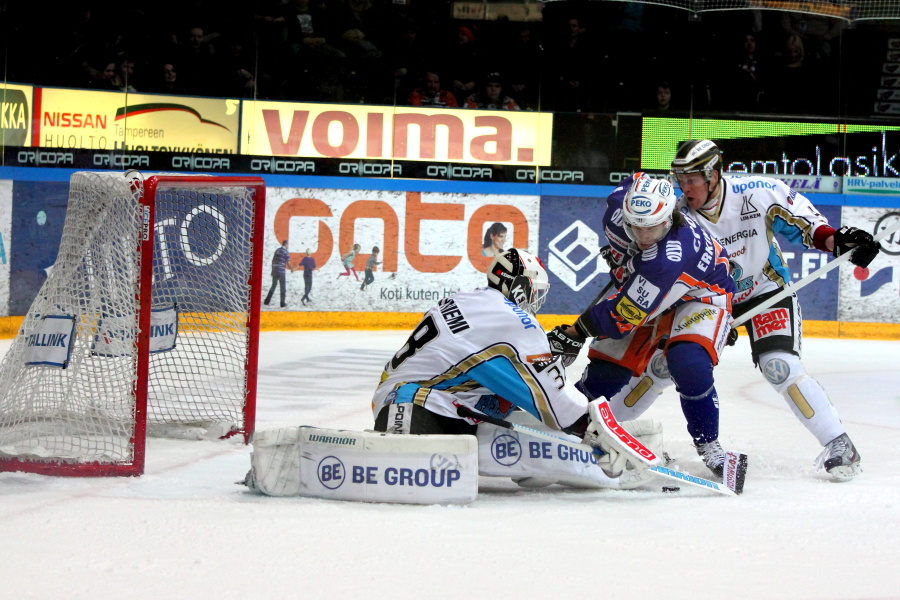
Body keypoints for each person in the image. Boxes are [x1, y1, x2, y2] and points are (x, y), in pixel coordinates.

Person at [670, 139, 882, 480]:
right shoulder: (677, 215)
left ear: (714, 174)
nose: (685, 186)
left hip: (765, 291)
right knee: (669, 365)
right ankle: (600, 432)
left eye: (692, 178)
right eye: (679, 178)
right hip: (710, 300)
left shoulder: (759, 192)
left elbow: (811, 228)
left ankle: (838, 442)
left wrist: (838, 241)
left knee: (779, 365)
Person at [549, 174, 738, 479]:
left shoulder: (668, 256)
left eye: (652, 227)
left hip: (699, 295)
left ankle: (709, 444)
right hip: (647, 285)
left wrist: (574, 333)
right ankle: (568, 430)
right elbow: (633, 179)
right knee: (606, 372)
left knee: (688, 362)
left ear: (669, 217)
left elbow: (621, 318)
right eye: (636, 225)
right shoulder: (618, 207)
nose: (643, 235)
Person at [264, 240, 293, 308]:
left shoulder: (277, 250)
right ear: (285, 244)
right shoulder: (286, 252)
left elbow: (273, 260)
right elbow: (288, 263)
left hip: (275, 270)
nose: (288, 246)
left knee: (273, 286)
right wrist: (292, 269)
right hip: (281, 272)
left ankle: (266, 301)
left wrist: (272, 270)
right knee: (282, 287)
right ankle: (282, 303)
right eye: (288, 244)